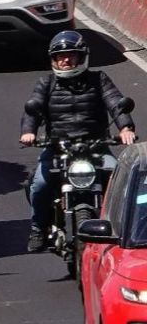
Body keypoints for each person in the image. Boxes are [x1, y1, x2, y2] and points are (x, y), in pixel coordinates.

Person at [21, 29, 137, 251]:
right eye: (60, 56)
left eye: (71, 55)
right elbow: (32, 109)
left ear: (82, 56)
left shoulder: (99, 79)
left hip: (96, 147)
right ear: (53, 59)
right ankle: (39, 228)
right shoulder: (46, 83)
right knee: (40, 185)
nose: (66, 60)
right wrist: (29, 132)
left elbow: (115, 102)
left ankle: (123, 227)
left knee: (119, 180)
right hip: (57, 149)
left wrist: (125, 127)